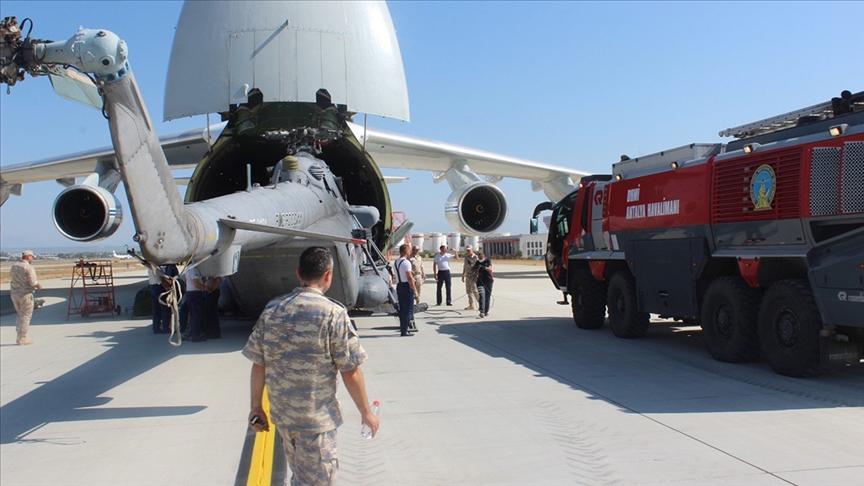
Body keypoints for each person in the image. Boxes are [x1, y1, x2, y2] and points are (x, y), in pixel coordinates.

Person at [243, 246, 379, 486]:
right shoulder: (332, 314)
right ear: (328, 275)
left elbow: (258, 365)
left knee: (300, 476)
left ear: (298, 273)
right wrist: (366, 412)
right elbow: (350, 371)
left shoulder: (272, 310)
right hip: (316, 423)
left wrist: (256, 407)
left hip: (284, 419)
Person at [9, 250, 42, 345]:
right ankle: (22, 338)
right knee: (25, 316)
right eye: (32, 257)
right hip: (25, 294)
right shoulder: (29, 268)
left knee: (20, 315)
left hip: (15, 293)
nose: (32, 259)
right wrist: (39, 286)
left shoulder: (14, 266)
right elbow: (33, 282)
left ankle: (19, 335)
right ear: (28, 257)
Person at [393, 244, 417, 337]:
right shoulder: (407, 262)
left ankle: (403, 328)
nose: (410, 252)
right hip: (406, 286)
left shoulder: (396, 262)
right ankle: (405, 330)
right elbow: (409, 278)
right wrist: (414, 289)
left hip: (399, 285)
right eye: (409, 250)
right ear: (406, 251)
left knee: (402, 309)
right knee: (408, 309)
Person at [183, 266, 207, 342]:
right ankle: (196, 336)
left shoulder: (188, 269)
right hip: (195, 293)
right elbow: (196, 284)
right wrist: (205, 287)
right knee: (197, 315)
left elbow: (186, 282)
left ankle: (193, 334)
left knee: (193, 316)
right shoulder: (194, 270)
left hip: (189, 293)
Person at [148, 265, 172, 334]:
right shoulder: (158, 268)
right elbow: (162, 276)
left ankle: (156, 328)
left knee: (156, 309)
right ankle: (165, 328)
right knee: (165, 308)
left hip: (152, 286)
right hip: (158, 287)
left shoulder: (150, 267)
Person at [474, 251, 494, 318]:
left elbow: (490, 269)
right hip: (480, 281)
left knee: (487, 297)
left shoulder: (488, 261)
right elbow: (475, 269)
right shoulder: (477, 262)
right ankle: (481, 311)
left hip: (488, 281)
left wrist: (483, 267)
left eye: (481, 257)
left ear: (483, 256)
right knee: (481, 295)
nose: (480, 258)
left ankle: (486, 311)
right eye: (479, 257)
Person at [203, 274, 222, 339]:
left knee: (212, 313)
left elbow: (218, 280)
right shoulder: (207, 271)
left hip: (213, 292)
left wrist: (212, 289)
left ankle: (215, 333)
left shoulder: (214, 271)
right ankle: (210, 331)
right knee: (208, 312)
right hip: (209, 291)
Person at [461, 246, 479, 310]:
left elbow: (478, 268)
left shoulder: (476, 257)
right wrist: (463, 275)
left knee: (475, 290)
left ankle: (481, 304)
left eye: (469, 250)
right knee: (468, 291)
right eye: (467, 250)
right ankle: (471, 304)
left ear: (472, 250)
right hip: (468, 276)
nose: (468, 251)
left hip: (473, 276)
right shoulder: (466, 258)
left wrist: (477, 276)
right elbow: (465, 267)